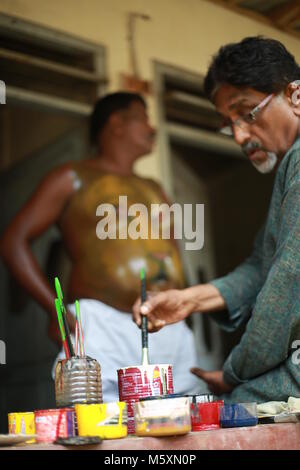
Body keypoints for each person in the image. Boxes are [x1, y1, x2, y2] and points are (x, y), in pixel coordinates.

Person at [0, 92, 200, 402]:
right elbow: (13, 241)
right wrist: (55, 309)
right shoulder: (72, 177)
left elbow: (173, 249)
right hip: (101, 325)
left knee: (181, 423)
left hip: (168, 326)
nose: (152, 128)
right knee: (103, 428)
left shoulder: (154, 188)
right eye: (143, 117)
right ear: (116, 123)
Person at [133, 37, 300, 403]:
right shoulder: (290, 169)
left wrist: (234, 372)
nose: (239, 135)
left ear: (295, 96)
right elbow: (263, 264)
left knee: (230, 411)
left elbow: (289, 280)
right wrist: (190, 300)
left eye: (248, 113)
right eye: (228, 123)